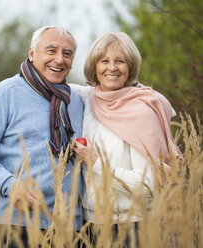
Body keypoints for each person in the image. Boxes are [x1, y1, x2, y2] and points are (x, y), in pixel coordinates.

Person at [0, 26, 85, 247]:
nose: (59, 59)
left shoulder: (74, 101)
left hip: (71, 228)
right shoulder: (7, 92)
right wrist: (9, 184)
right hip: (18, 226)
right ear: (31, 53)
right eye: (51, 51)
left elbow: (113, 94)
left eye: (67, 54)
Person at [70, 32, 182, 246]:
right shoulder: (89, 99)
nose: (111, 67)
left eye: (120, 61)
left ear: (130, 67)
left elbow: (149, 186)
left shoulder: (141, 112)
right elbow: (51, 85)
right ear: (94, 66)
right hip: (89, 225)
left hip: (131, 227)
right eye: (104, 61)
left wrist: (95, 163)